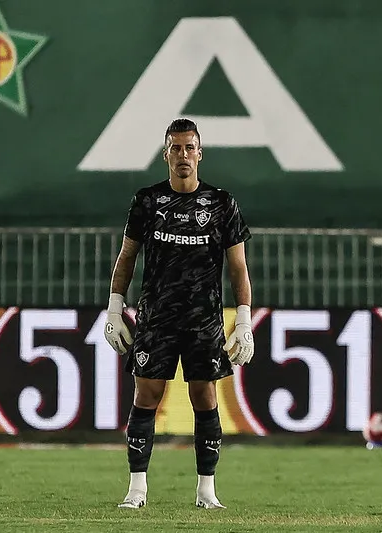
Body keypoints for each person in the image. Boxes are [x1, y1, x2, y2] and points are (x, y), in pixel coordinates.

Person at [103, 118, 254, 509]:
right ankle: (137, 490)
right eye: (176, 148)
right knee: (147, 396)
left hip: (204, 321)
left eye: (190, 148)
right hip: (157, 318)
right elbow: (126, 257)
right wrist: (115, 309)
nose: (183, 155)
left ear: (200, 154)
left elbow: (238, 267)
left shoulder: (222, 203)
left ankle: (207, 491)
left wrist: (245, 319)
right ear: (165, 154)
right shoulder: (147, 201)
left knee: (204, 397)